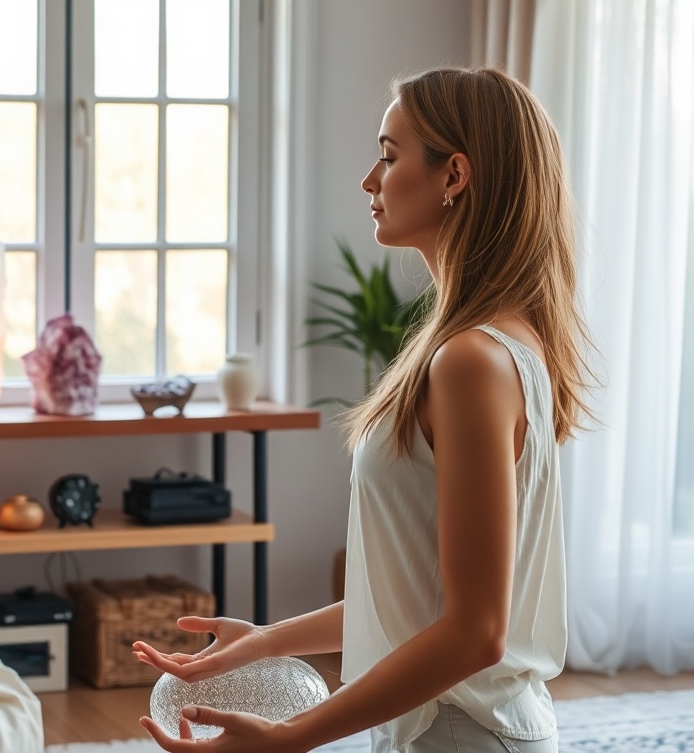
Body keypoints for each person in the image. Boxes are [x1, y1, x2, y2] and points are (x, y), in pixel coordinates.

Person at [132, 66, 596, 753]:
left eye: (388, 155)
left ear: (453, 176)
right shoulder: (505, 343)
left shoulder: (470, 360)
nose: (368, 180)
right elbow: (418, 604)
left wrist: (291, 735)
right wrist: (266, 641)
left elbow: (475, 632)